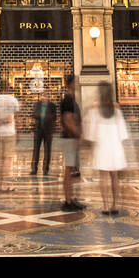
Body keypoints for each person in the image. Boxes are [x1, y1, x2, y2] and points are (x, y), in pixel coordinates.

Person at [84, 82, 130, 215]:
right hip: (115, 146)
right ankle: (114, 205)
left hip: (102, 146)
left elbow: (91, 133)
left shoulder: (94, 109)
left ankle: (105, 206)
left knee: (103, 176)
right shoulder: (116, 109)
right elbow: (123, 132)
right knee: (114, 176)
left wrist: (91, 144)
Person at [59, 75, 84, 211]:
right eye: (76, 83)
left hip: (72, 139)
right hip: (69, 139)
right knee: (68, 171)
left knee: (72, 171)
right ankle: (68, 201)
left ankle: (70, 199)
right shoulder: (68, 100)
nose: (78, 85)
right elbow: (67, 119)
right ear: (71, 84)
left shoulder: (71, 99)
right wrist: (79, 135)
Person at [0, 86, 20, 192]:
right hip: (10, 133)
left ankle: (2, 183)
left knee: (0, 159)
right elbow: (17, 117)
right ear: (9, 90)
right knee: (8, 159)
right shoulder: (13, 100)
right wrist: (18, 131)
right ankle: (5, 183)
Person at [31, 92, 55, 176]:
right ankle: (34, 169)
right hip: (38, 130)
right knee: (36, 150)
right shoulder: (37, 105)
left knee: (47, 151)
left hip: (48, 131)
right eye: (42, 96)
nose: (43, 98)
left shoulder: (52, 106)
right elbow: (33, 116)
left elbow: (54, 118)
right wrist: (32, 129)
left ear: (48, 98)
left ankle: (45, 170)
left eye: (45, 96)